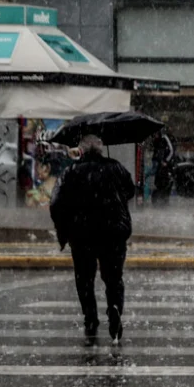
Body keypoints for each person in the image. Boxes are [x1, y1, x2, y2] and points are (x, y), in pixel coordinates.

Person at [49, 135, 136, 343]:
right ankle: (114, 307)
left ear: (81, 151)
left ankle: (90, 317)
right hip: (113, 234)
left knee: (84, 279)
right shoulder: (116, 168)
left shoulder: (71, 172)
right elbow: (130, 191)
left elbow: (56, 203)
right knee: (113, 279)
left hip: (82, 235)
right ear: (100, 149)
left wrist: (63, 232)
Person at [150, 133, 175, 206]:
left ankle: (164, 202)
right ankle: (160, 202)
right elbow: (156, 152)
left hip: (164, 166)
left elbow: (171, 151)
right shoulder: (156, 141)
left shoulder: (164, 138)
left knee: (164, 184)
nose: (155, 136)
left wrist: (165, 161)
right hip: (159, 166)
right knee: (159, 184)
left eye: (156, 135)